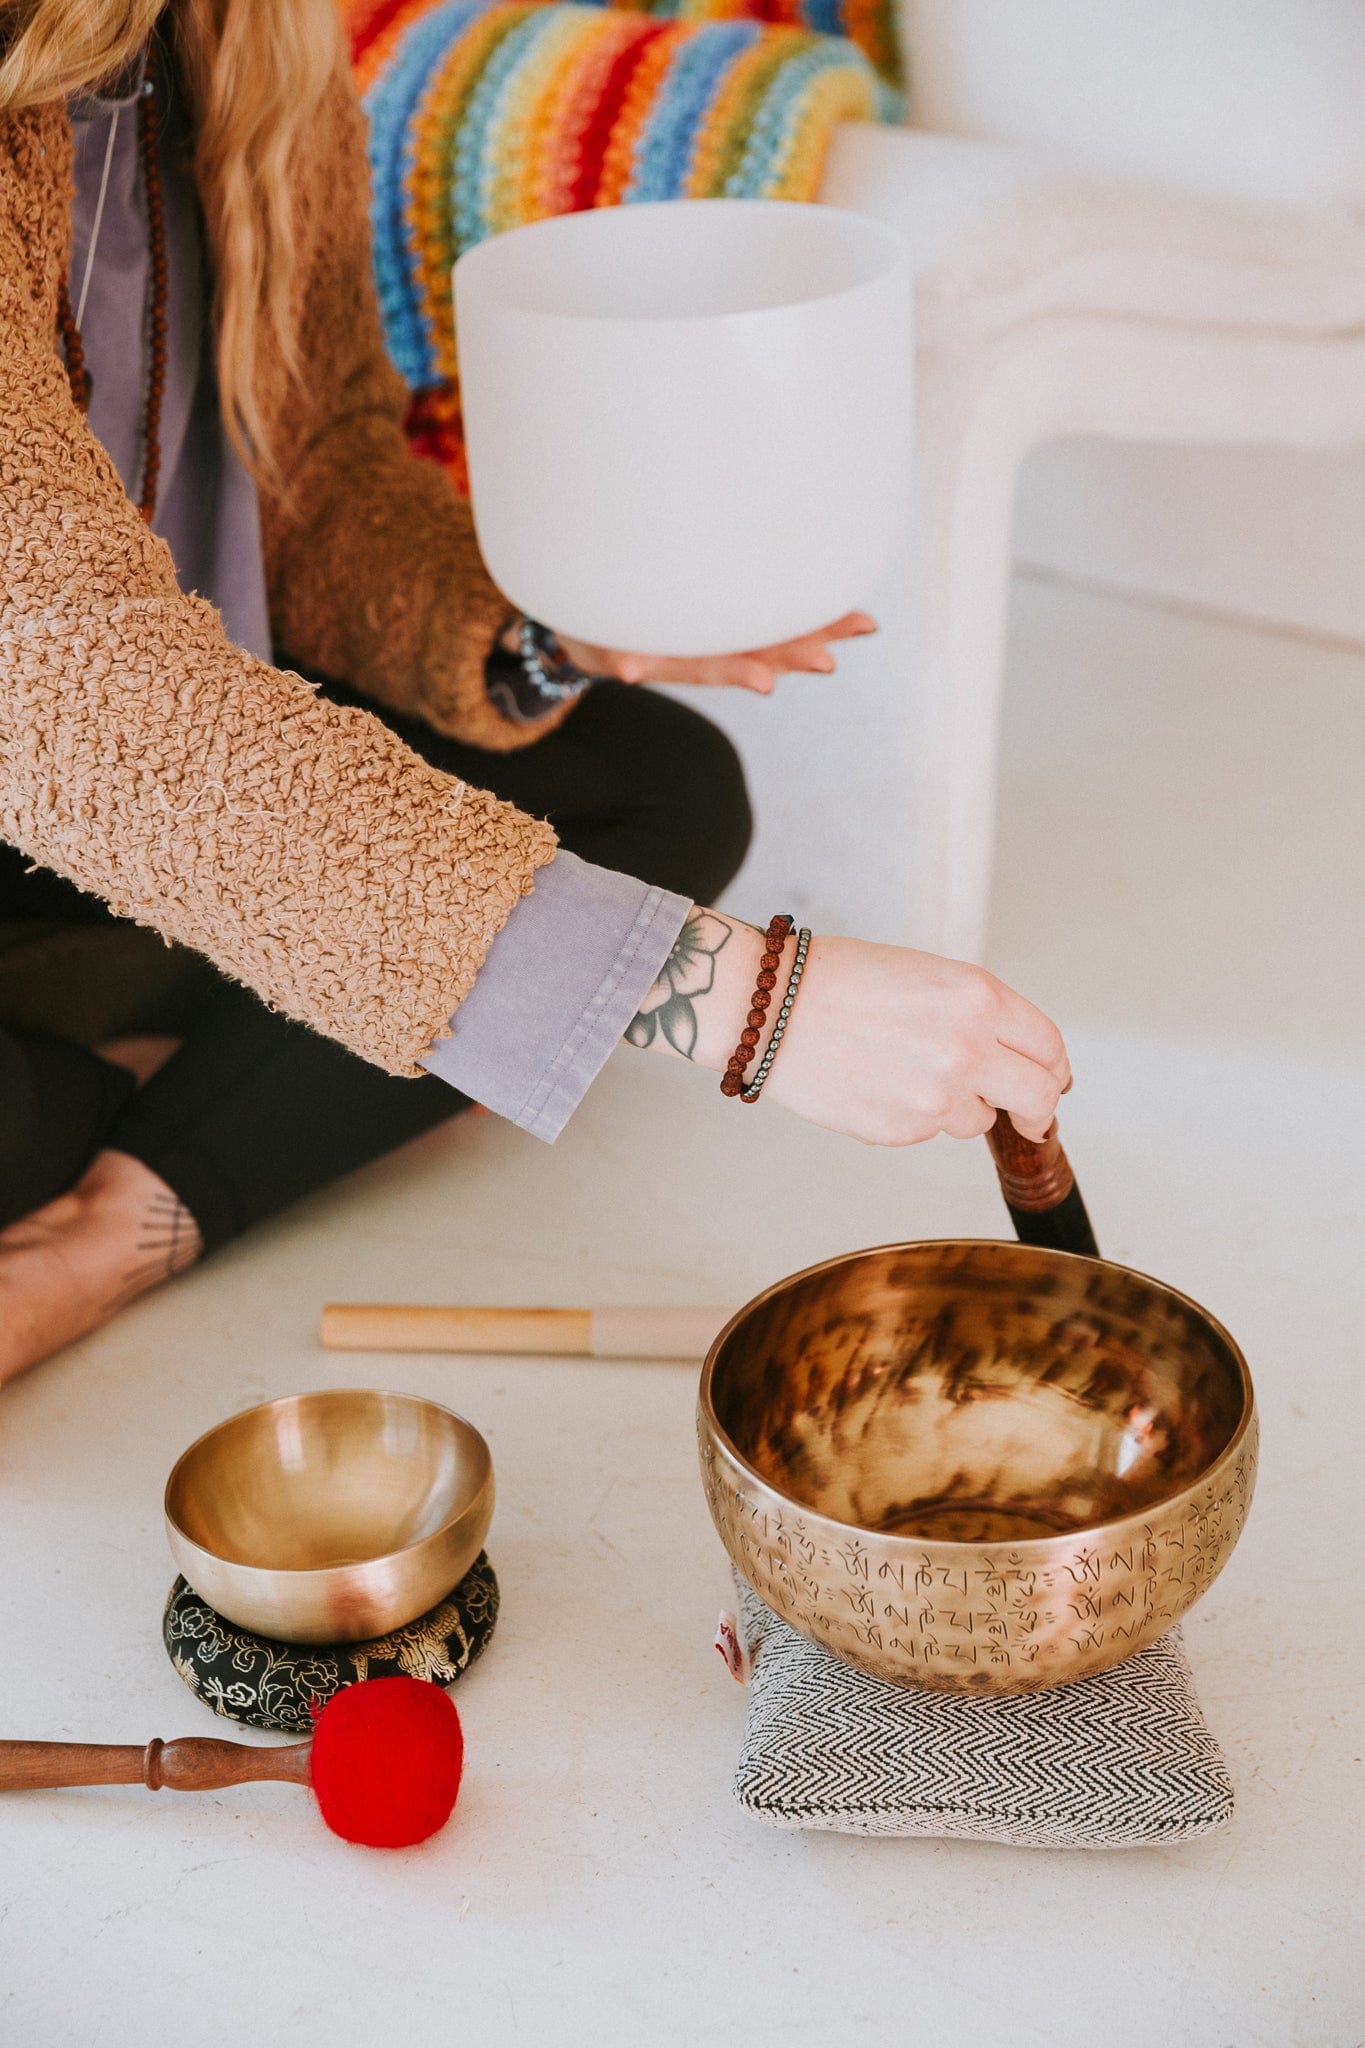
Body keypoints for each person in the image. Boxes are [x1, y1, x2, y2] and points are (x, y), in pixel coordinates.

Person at [0, 0, 1070, 1388]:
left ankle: (114, 1219)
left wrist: (544, 637)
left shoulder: (250, 42)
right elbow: (58, 668)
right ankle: (130, 1075)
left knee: (655, 787)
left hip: (167, 768)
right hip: (79, 728)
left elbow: (315, 475)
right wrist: (730, 1001)